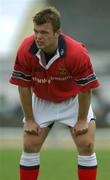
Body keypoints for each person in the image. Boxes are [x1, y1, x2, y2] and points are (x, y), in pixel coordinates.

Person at [9, 6, 100, 180]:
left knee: (86, 144)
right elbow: (23, 86)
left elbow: (85, 88)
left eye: (44, 32)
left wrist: (81, 120)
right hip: (42, 99)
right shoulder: (26, 49)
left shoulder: (77, 52)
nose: (38, 37)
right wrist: (29, 120)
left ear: (58, 33)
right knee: (30, 145)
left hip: (73, 99)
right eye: (36, 31)